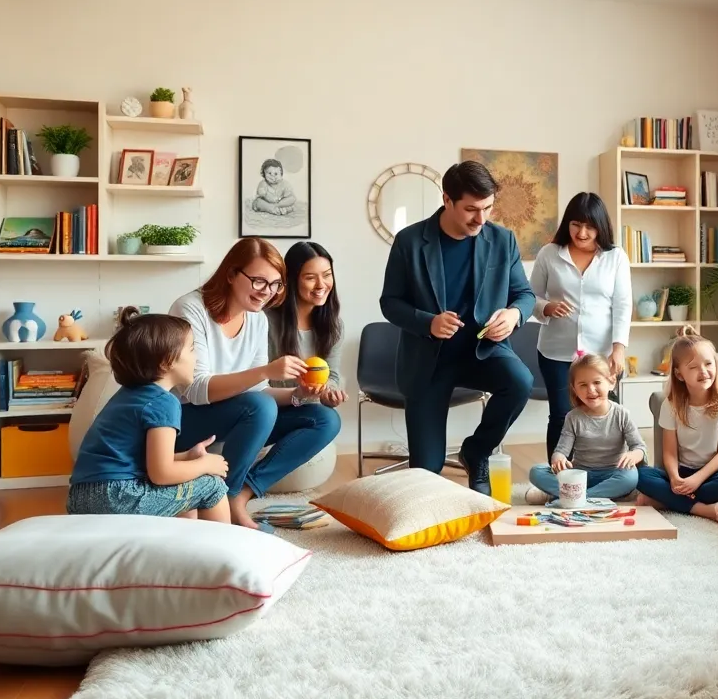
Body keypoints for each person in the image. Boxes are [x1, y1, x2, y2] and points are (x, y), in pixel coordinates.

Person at [378, 160, 536, 493]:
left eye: (488, 208)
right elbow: (390, 303)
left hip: (482, 352)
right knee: (426, 471)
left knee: (520, 381)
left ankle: (476, 452)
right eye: (471, 209)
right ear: (447, 200)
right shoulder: (409, 241)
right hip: (428, 361)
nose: (481, 219)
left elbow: (524, 294)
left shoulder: (503, 240)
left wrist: (513, 315)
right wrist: (429, 322)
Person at [169, 237, 341, 530]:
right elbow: (196, 390)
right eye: (259, 281)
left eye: (275, 284)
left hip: (237, 415)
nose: (267, 292)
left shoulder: (257, 319)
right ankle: (223, 499)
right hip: (185, 420)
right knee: (258, 406)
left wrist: (298, 393)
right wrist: (264, 371)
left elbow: (258, 391)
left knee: (324, 419)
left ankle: (240, 494)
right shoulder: (191, 309)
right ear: (231, 274)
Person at [67, 307, 230, 523]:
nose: (197, 357)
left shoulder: (127, 396)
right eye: (192, 349)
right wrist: (206, 465)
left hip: (81, 498)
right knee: (212, 485)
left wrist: (186, 457)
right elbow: (161, 474)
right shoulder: (163, 402)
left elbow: (138, 460)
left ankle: (179, 542)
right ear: (166, 361)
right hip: (117, 497)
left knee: (186, 490)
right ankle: (226, 544)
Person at [530, 192, 633, 455]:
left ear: (601, 226)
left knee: (605, 415)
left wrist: (619, 348)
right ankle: (558, 474)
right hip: (556, 353)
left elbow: (623, 305)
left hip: (602, 354)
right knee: (561, 416)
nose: (582, 233)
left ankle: (605, 470)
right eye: (576, 224)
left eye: (589, 226)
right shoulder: (549, 254)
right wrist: (547, 307)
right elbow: (530, 297)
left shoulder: (615, 257)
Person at [635, 328, 718, 524]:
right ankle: (702, 509)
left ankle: (665, 501)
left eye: (708, 363)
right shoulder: (671, 404)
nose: (704, 371)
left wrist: (697, 479)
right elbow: (669, 452)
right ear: (679, 374)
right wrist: (675, 478)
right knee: (640, 475)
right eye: (693, 367)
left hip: (710, 474)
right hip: (681, 471)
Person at [525, 353, 645, 503]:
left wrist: (633, 455)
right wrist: (559, 459)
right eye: (583, 385)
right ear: (574, 389)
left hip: (613, 473)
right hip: (580, 475)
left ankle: (571, 496)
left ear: (611, 382)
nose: (591, 390)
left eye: (597, 382)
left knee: (631, 477)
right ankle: (595, 495)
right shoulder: (573, 417)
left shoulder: (622, 414)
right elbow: (561, 451)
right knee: (536, 472)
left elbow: (639, 447)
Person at [267, 241, 347, 409]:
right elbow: (258, 381)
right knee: (327, 419)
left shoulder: (335, 326)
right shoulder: (266, 321)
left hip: (310, 407)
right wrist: (297, 393)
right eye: (310, 278)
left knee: (328, 418)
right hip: (272, 406)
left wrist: (329, 393)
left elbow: (332, 375)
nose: (321, 285)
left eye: (327, 275)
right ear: (292, 280)